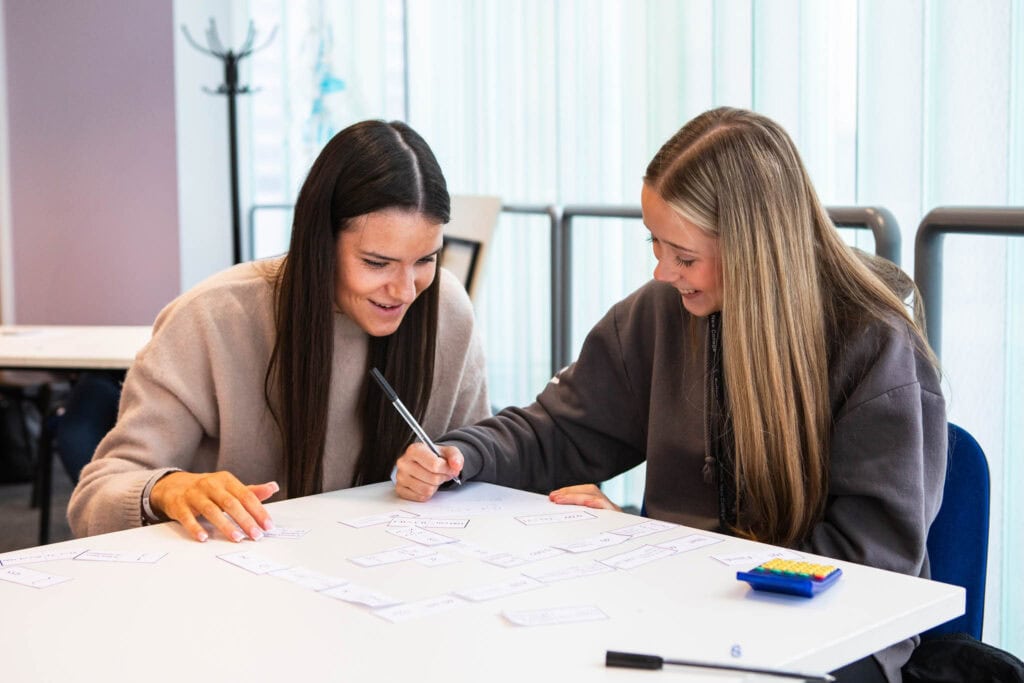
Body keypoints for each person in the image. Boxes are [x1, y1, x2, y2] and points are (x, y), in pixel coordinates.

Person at [394, 107, 946, 683]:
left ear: (755, 252)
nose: (662, 272)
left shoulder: (874, 344)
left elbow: (863, 569)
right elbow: (559, 430)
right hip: (686, 617)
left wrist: (649, 542)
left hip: (831, 642)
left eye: (684, 256)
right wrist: (462, 455)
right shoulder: (661, 314)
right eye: (655, 244)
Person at [69, 120, 490, 544]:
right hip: (235, 582)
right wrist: (168, 488)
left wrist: (458, 465)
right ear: (320, 244)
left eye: (426, 260)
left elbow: (480, 469)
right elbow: (93, 500)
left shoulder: (446, 309)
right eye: (376, 263)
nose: (404, 290)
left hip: (391, 571)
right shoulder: (211, 318)